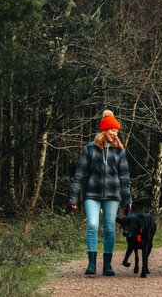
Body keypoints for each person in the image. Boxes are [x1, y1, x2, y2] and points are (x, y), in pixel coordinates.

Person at [69, 109, 132, 276]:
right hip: (92, 193)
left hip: (113, 195)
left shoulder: (119, 150)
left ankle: (107, 265)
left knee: (110, 228)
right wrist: (74, 196)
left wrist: (128, 199)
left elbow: (124, 176)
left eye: (117, 131)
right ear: (104, 130)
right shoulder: (89, 149)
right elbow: (80, 174)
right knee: (92, 225)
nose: (115, 134)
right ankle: (91, 264)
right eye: (112, 130)